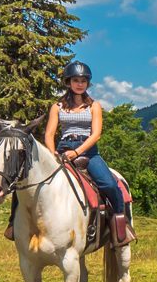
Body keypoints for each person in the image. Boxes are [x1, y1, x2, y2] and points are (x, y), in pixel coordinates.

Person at [44, 61, 130, 246]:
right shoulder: (57, 107)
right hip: (63, 149)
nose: (80, 84)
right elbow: (50, 134)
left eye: (83, 80)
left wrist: (77, 152)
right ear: (68, 82)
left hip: (88, 151)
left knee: (109, 184)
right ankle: (14, 224)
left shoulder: (94, 106)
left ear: (88, 83)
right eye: (76, 80)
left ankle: (120, 226)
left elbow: (96, 134)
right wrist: (52, 155)